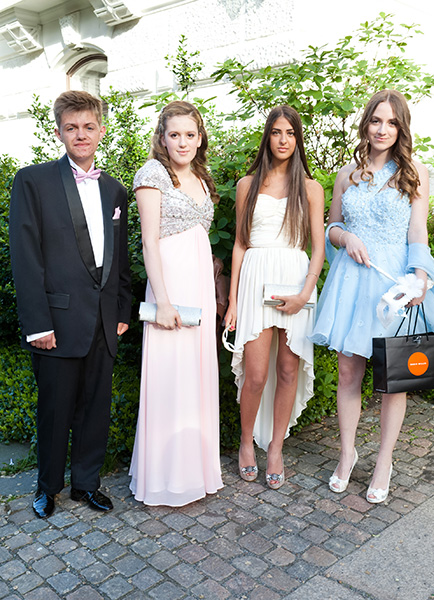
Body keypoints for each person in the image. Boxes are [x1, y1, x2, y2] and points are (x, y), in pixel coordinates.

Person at [311, 89, 434, 503]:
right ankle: (347, 453)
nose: (382, 129)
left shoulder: (414, 172)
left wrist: (419, 278)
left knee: (394, 378)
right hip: (352, 281)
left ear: (401, 128)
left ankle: (384, 461)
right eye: (376, 121)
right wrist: (346, 237)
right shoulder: (347, 174)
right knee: (348, 372)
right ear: (366, 124)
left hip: (393, 283)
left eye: (392, 122)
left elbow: (418, 231)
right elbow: (331, 227)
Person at [9, 90, 132, 518]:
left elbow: (120, 259)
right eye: (72, 127)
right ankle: (48, 487)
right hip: (56, 322)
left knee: (95, 409)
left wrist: (122, 311)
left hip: (104, 321)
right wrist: (37, 323)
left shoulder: (115, 190)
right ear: (59, 132)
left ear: (101, 131)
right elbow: (25, 257)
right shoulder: (32, 181)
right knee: (55, 410)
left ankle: (86, 484)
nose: (81, 134)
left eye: (89, 127)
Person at [224, 105, 325, 489]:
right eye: (277, 132)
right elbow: (240, 244)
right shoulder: (247, 185)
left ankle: (277, 449)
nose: (283, 140)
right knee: (255, 374)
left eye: (291, 133)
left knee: (287, 370)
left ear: (298, 139)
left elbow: (318, 248)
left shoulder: (311, 188)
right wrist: (234, 301)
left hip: (295, 279)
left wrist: (305, 293)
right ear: (267, 137)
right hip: (255, 280)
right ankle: (246, 442)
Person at [129, 100, 223, 506]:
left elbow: (198, 237)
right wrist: (163, 302)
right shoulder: (152, 174)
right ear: (162, 138)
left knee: (195, 375)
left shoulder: (200, 176)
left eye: (190, 134)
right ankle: (164, 477)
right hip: (170, 289)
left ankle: (194, 471)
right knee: (171, 378)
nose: (182, 142)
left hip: (199, 287)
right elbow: (150, 242)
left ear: (200, 139)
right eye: (174, 134)